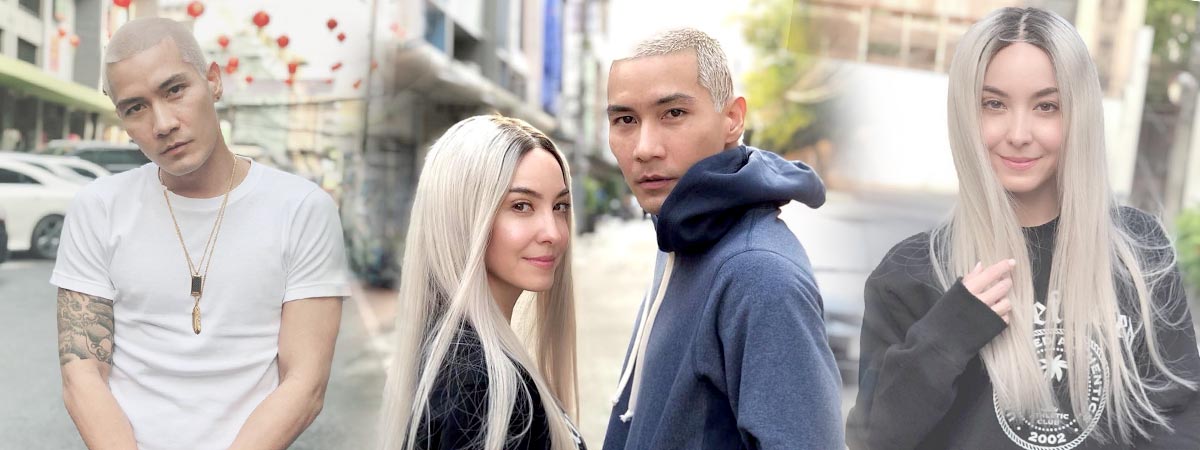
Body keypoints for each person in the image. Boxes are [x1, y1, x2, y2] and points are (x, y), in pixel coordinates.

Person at [846, 7, 1200, 450]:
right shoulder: (909, 274)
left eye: (1046, 106)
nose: (1018, 133)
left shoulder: (1139, 253)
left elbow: (1182, 422)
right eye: (994, 104)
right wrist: (947, 334)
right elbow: (874, 439)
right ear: (965, 113)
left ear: (1079, 115)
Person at [52, 18, 349, 449]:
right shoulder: (98, 207)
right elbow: (82, 374)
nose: (162, 123)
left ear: (213, 80)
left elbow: (305, 383)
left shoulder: (302, 209)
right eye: (135, 108)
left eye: (174, 90)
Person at [601, 28, 844, 449]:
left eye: (673, 113)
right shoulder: (680, 238)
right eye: (625, 120)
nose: (644, 148)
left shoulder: (758, 274)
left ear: (732, 118)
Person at [379, 115, 584, 450]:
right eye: (522, 206)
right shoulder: (483, 386)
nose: (554, 232)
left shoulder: (450, 353)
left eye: (560, 206)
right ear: (463, 217)